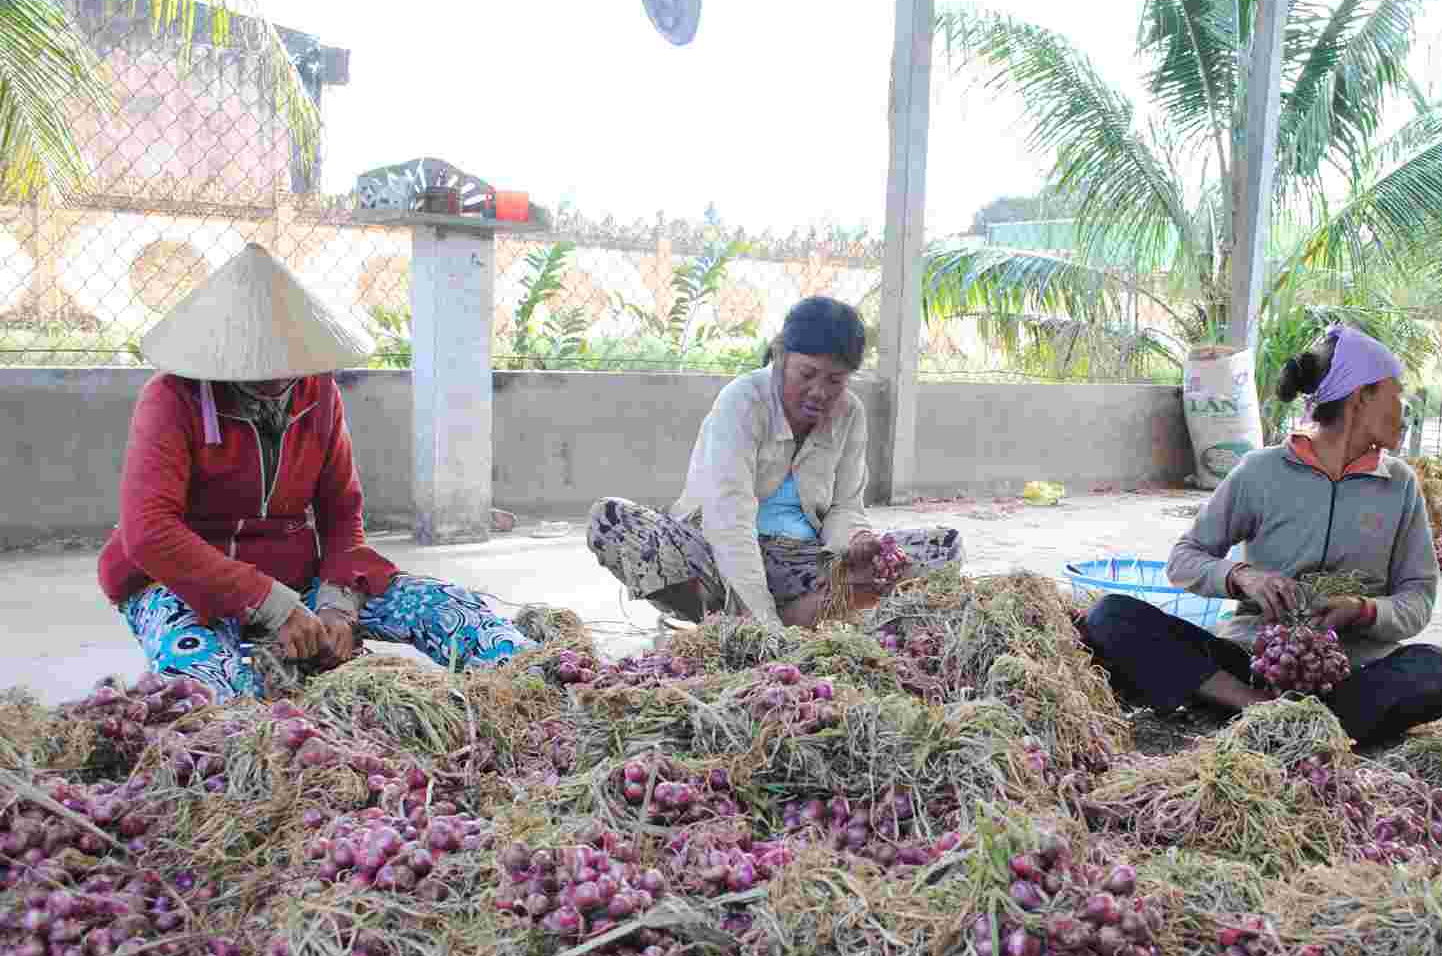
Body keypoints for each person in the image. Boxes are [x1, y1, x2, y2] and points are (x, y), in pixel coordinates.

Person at [98, 244, 536, 701]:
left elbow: (342, 514)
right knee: (209, 696)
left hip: (293, 577)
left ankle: (544, 681)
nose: (274, 379)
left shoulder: (319, 394)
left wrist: (337, 604)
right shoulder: (172, 399)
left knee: (456, 614)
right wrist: (268, 603)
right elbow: (149, 532)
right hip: (181, 584)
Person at [1080, 324, 1442, 747]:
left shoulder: (1399, 484)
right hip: (1256, 660)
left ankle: (1278, 720)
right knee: (1110, 617)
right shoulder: (1261, 471)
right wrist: (1244, 577)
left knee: (1436, 669)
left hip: (1350, 674)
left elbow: (1418, 600)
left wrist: (1359, 609)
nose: (1403, 405)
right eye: (1396, 390)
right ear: (1362, 396)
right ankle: (1262, 711)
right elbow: (1184, 560)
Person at [587, 296, 964, 629]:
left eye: (835, 380)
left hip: (807, 567)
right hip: (718, 558)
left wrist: (856, 540)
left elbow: (845, 507)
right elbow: (729, 516)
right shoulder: (743, 401)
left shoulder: (850, 414)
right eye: (807, 374)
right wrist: (760, 617)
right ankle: (747, 623)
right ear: (782, 357)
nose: (820, 391)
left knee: (943, 549)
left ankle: (774, 622)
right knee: (612, 520)